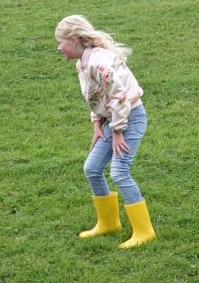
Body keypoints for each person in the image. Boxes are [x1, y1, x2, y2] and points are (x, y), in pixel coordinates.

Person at [55, 14, 154, 249]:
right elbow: (97, 97)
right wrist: (97, 125)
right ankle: (108, 223)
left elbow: (119, 97)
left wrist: (117, 131)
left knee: (119, 172)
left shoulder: (97, 63)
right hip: (113, 119)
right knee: (92, 168)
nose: (59, 48)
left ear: (75, 40)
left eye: (61, 42)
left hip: (129, 117)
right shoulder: (83, 63)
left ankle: (144, 231)